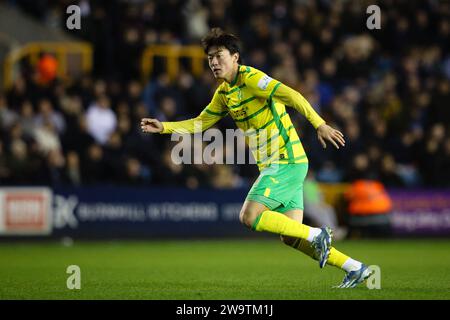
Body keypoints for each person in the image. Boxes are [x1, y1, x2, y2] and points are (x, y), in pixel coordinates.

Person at [141, 28, 372, 288]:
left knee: (249, 216)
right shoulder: (224, 93)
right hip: (280, 164)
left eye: (219, 56)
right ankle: (354, 267)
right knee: (291, 237)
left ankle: (317, 232)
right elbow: (199, 123)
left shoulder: (252, 78)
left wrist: (320, 124)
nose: (214, 62)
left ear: (235, 57)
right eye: (210, 58)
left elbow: (292, 95)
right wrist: (165, 127)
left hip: (286, 160)